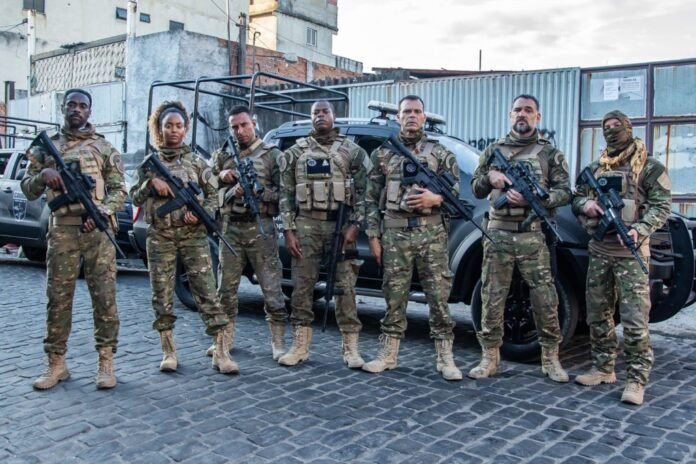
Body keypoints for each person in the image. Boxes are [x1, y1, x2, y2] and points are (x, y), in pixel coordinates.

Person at [22, 88, 126, 390]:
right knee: (58, 299)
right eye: (72, 105)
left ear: (89, 112)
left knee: (104, 297)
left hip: (97, 232)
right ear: (64, 108)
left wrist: (102, 210)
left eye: (83, 106)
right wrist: (44, 176)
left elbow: (120, 190)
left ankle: (106, 361)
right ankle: (56, 364)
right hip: (62, 231)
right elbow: (28, 188)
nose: (77, 110)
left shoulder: (104, 147)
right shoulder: (46, 148)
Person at [129, 101, 237, 375]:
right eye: (168, 126)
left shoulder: (197, 163)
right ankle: (168, 352)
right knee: (161, 297)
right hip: (160, 237)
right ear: (159, 128)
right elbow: (133, 196)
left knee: (207, 293)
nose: (173, 131)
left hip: (194, 238)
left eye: (178, 126)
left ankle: (221, 352)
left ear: (186, 128)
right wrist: (150, 184)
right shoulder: (148, 165)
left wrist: (202, 214)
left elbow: (213, 195)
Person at [469, 94, 571, 382]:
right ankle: (490, 357)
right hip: (498, 234)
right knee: (491, 296)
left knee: (545, 298)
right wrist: (492, 179)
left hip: (532, 237)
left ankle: (550, 359)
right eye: (517, 110)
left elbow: (566, 192)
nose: (522, 115)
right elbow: (476, 188)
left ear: (537, 116)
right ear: (509, 115)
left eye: (528, 110)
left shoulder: (550, 154)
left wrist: (538, 198)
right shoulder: (492, 151)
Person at [572, 110, 671, 405]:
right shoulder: (597, 167)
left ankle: (637, 380)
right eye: (607, 127)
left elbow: (662, 206)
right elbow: (576, 195)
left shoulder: (649, 166)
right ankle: (604, 368)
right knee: (598, 313)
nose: (612, 131)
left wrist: (639, 230)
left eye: (618, 126)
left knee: (634, 319)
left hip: (631, 254)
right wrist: (587, 203)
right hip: (600, 251)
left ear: (629, 128)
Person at [362, 95, 463, 381]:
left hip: (431, 233)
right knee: (394, 297)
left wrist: (437, 197)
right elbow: (369, 199)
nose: (411, 116)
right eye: (406, 111)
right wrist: (373, 235)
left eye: (417, 111)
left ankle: (445, 357)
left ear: (424, 117)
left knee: (438, 298)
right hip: (395, 232)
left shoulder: (440, 153)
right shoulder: (383, 154)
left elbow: (458, 194)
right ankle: (388, 354)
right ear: (398, 117)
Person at [277, 100, 366, 367]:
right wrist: (289, 231)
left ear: (334, 116)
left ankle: (351, 350)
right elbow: (285, 194)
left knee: (346, 287)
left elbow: (366, 192)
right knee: (302, 287)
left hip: (340, 229)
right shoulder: (295, 152)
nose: (320, 116)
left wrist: (355, 225)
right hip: (306, 225)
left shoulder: (354, 152)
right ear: (310, 117)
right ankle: (299, 346)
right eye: (315, 112)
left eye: (324, 111)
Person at [206, 105, 288, 364]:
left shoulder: (272, 155)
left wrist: (261, 193)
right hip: (231, 229)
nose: (240, 131)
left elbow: (286, 194)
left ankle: (278, 343)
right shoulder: (222, 156)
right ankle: (224, 341)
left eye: (244, 125)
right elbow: (206, 190)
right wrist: (226, 183)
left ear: (254, 124)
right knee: (225, 291)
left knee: (272, 290)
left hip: (261, 229)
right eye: (234, 127)